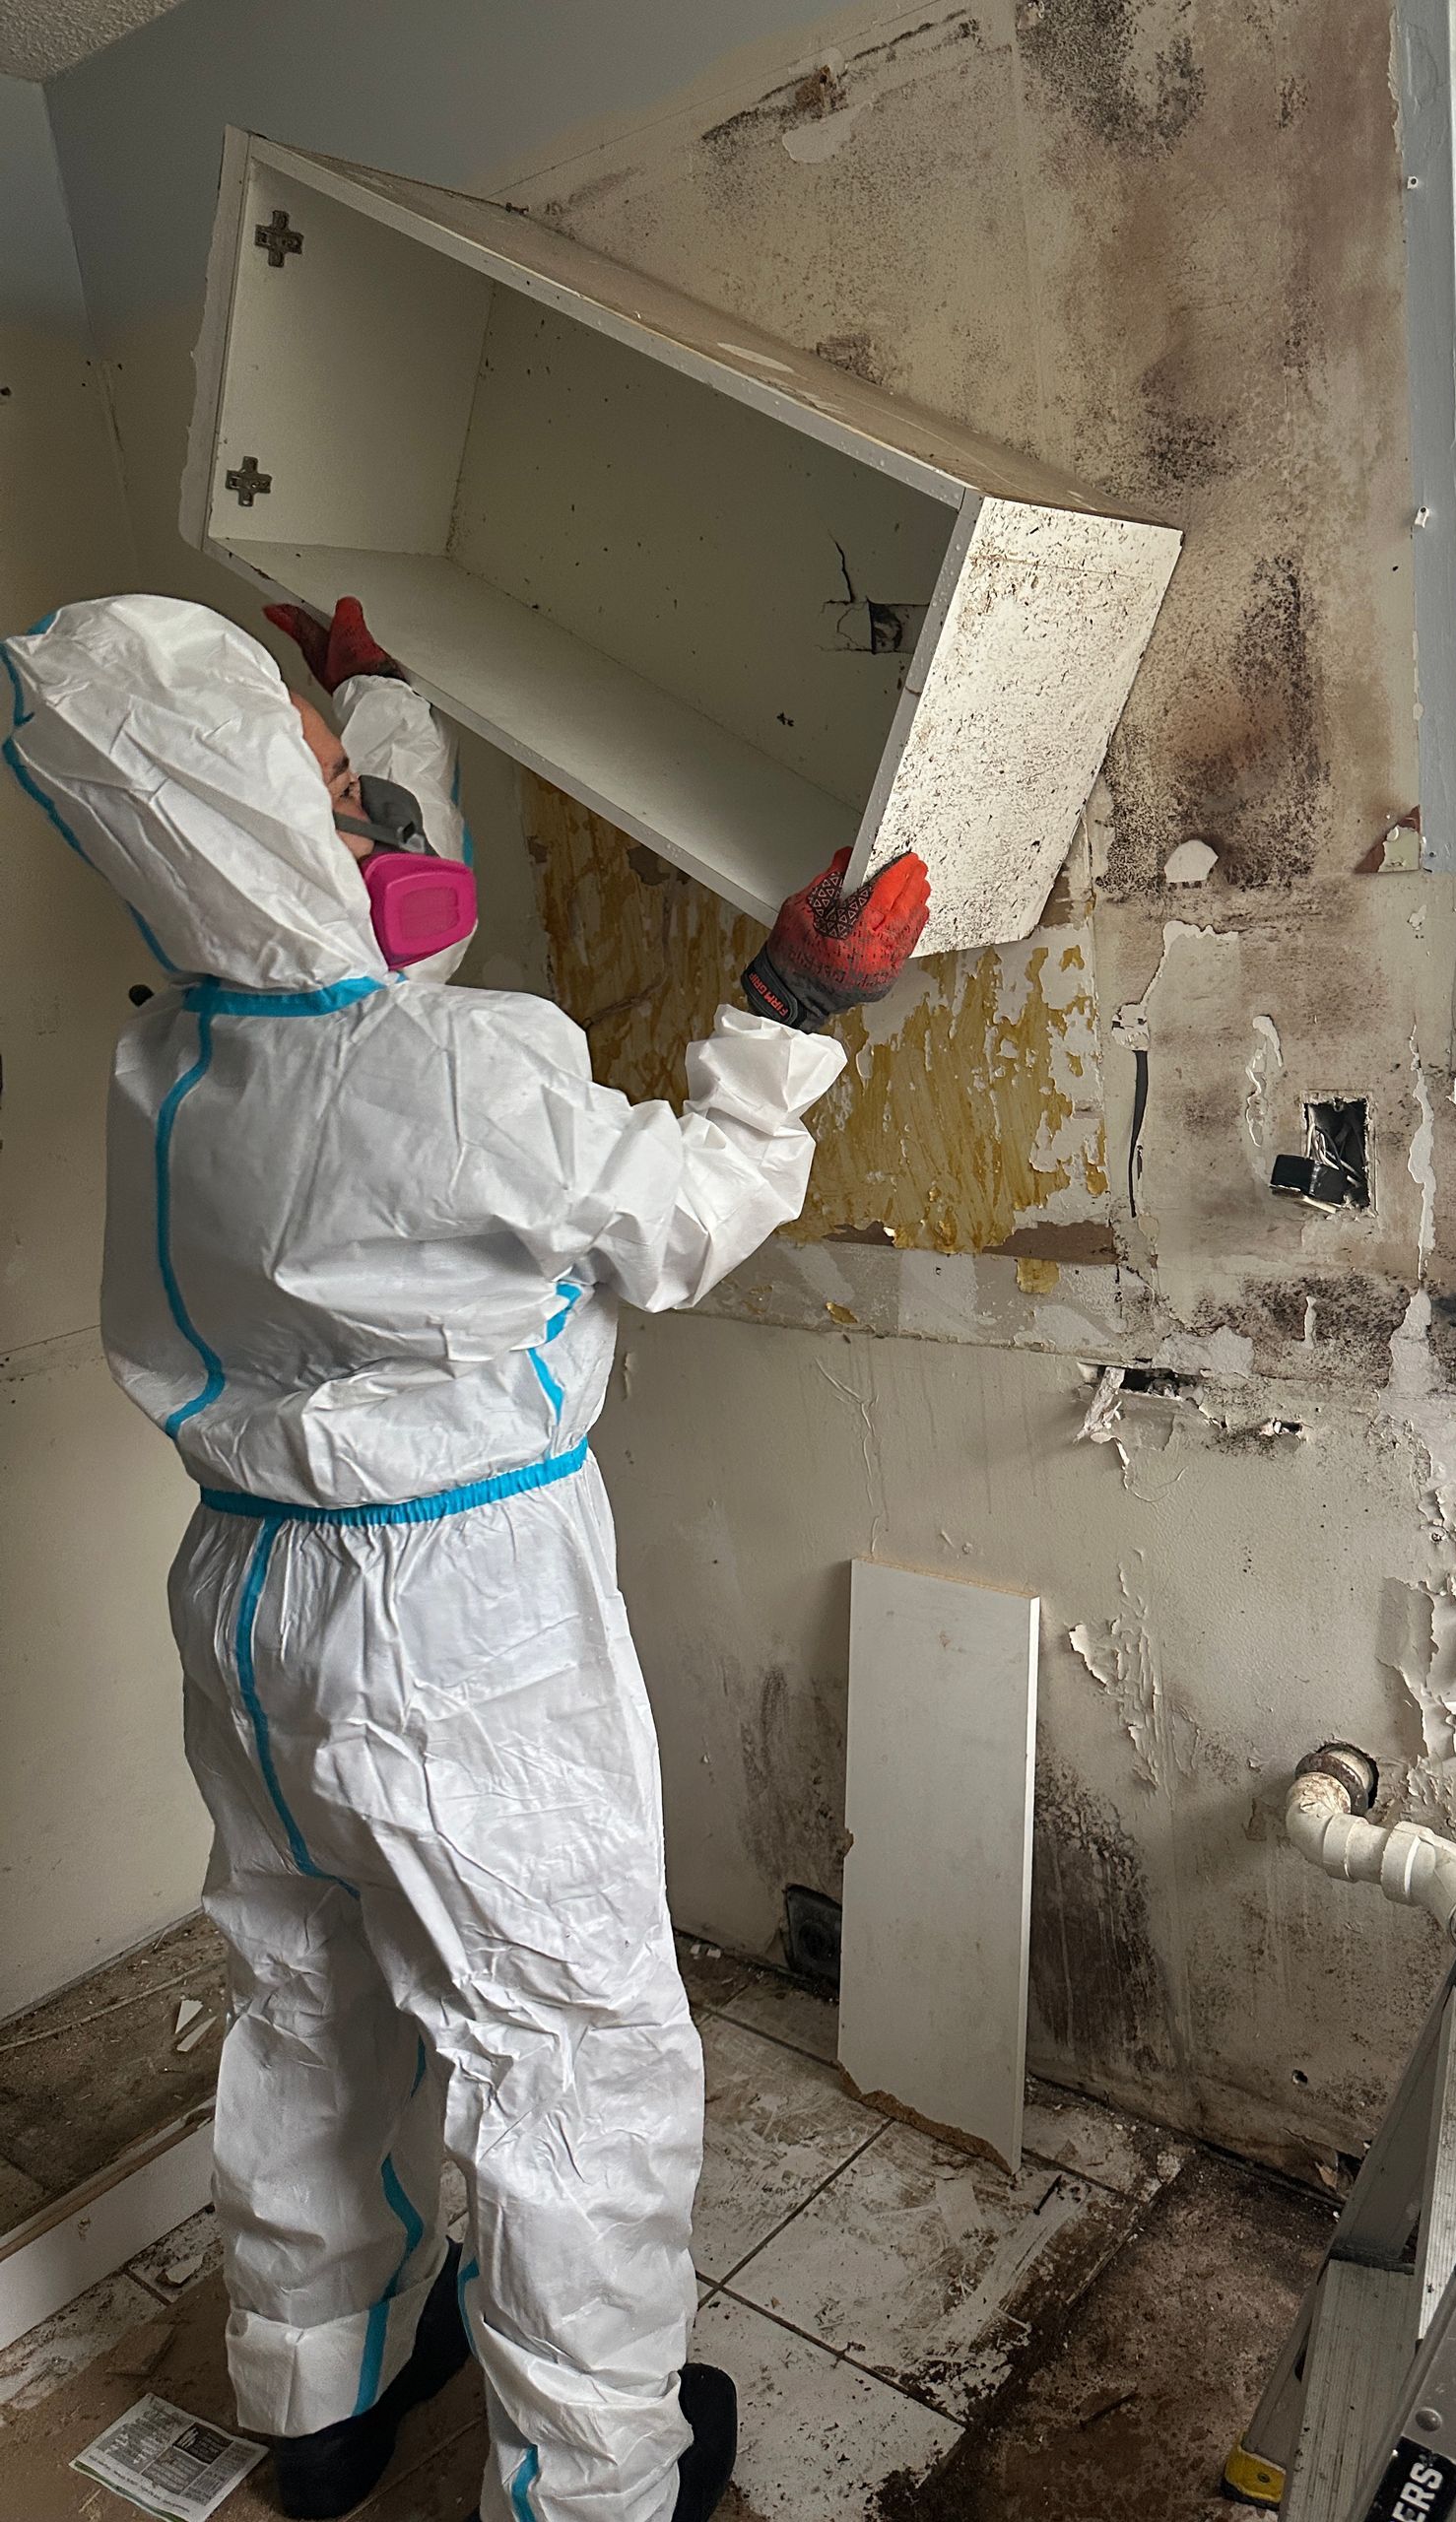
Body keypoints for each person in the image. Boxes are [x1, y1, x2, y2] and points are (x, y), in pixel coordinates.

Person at [0, 592, 930, 2522]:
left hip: (252, 1606)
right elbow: (674, 1222)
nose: (365, 812)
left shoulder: (174, 1062)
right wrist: (787, 1014)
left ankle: (318, 2384)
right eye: (322, 783)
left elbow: (352, 944)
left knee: (311, 1989)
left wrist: (381, 704)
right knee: (566, 2047)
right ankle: (597, 2486)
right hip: (451, 1619)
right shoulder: (466, 1075)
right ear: (252, 815)